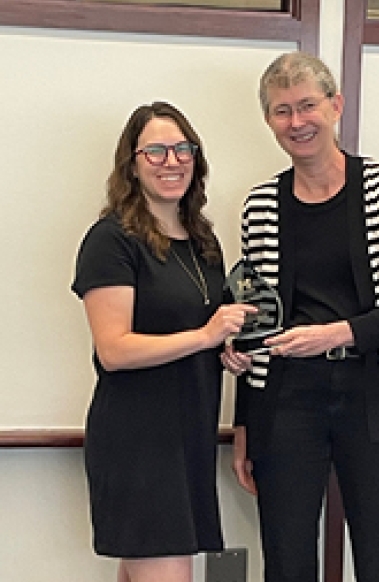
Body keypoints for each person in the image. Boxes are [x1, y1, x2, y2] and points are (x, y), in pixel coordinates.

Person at [221, 51, 379, 582]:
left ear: (335, 106)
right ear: (269, 121)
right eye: (281, 111)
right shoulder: (260, 206)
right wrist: (244, 422)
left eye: (307, 106)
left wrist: (336, 334)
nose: (297, 122)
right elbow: (258, 325)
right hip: (286, 398)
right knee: (287, 560)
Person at [71, 102, 255, 582]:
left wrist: (224, 351)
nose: (171, 161)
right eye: (155, 151)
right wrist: (205, 335)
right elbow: (114, 350)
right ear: (131, 164)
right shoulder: (111, 240)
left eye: (182, 149)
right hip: (138, 441)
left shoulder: (203, 242)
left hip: (188, 433)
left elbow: (201, 332)